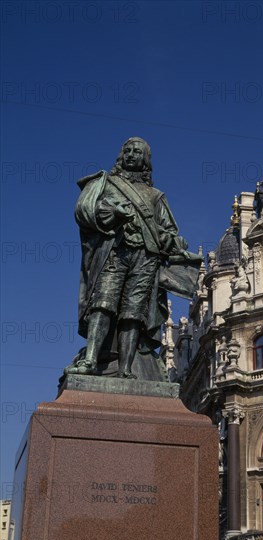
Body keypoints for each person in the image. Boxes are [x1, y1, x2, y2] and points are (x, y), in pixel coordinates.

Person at [65, 137, 200, 379]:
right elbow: (85, 211)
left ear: (145, 160)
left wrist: (173, 241)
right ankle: (91, 360)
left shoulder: (156, 196)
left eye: (137, 152)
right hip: (115, 253)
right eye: (127, 150)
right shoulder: (107, 184)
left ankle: (126, 370)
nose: (130, 155)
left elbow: (169, 231)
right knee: (102, 304)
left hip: (145, 258)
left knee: (133, 312)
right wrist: (113, 212)